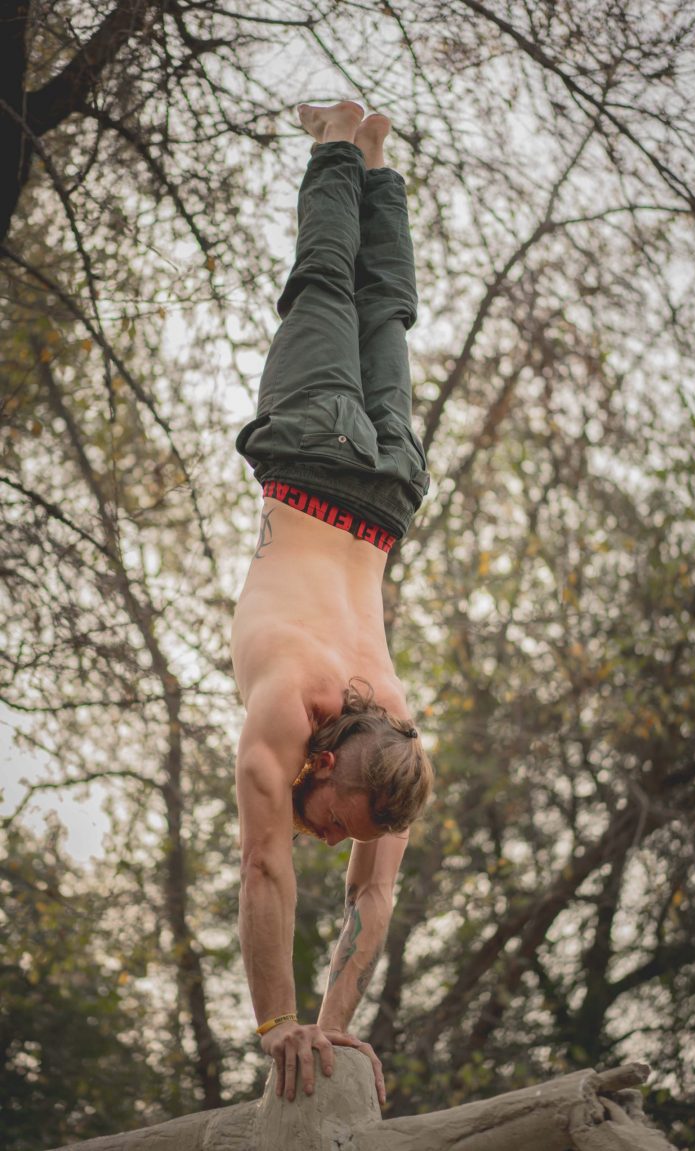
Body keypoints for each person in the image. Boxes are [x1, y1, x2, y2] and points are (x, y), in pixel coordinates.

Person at [231, 101, 433, 1108]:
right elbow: (266, 871)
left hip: (390, 494)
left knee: (384, 314)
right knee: (327, 286)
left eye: (338, 827)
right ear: (320, 759)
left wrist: (337, 1028)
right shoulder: (290, 700)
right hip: (313, 453)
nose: (330, 835)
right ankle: (335, 140)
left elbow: (375, 890)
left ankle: (379, 157)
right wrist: (282, 1028)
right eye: (332, 818)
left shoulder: (394, 750)